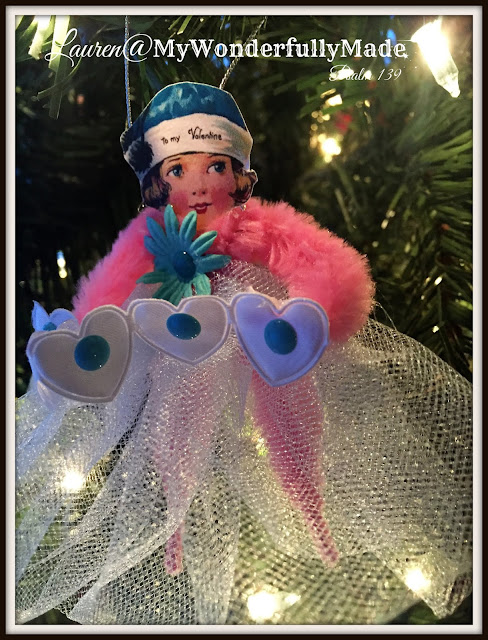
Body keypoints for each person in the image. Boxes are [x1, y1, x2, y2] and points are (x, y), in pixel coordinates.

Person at [16, 82, 472, 625]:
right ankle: (175, 530)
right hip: (177, 340)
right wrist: (92, 331)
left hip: (263, 329)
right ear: (157, 182)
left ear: (238, 175)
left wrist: (318, 310)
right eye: (178, 169)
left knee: (293, 416)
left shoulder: (257, 226)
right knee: (172, 428)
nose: (198, 183)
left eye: (216, 166)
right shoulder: (152, 233)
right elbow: (113, 281)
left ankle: (313, 515)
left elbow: (320, 261)